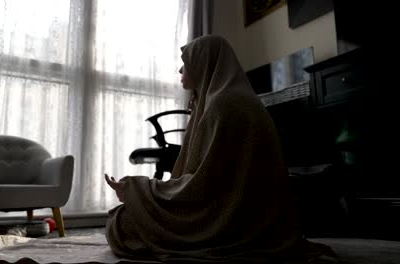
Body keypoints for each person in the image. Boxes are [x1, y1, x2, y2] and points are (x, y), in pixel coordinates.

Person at [105, 35, 333, 263]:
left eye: (186, 62)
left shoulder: (224, 106)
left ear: (204, 63)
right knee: (125, 218)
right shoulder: (225, 100)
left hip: (231, 220)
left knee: (120, 225)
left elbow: (203, 187)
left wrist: (138, 191)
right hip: (243, 216)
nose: (180, 69)